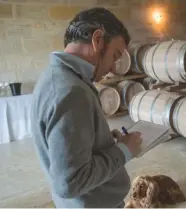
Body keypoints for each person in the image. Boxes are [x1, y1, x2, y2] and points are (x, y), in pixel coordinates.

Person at [31, 7, 142, 208]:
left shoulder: (55, 76)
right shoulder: (70, 92)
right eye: (115, 56)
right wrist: (125, 150)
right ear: (97, 40)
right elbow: (71, 181)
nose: (113, 68)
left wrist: (104, 142)